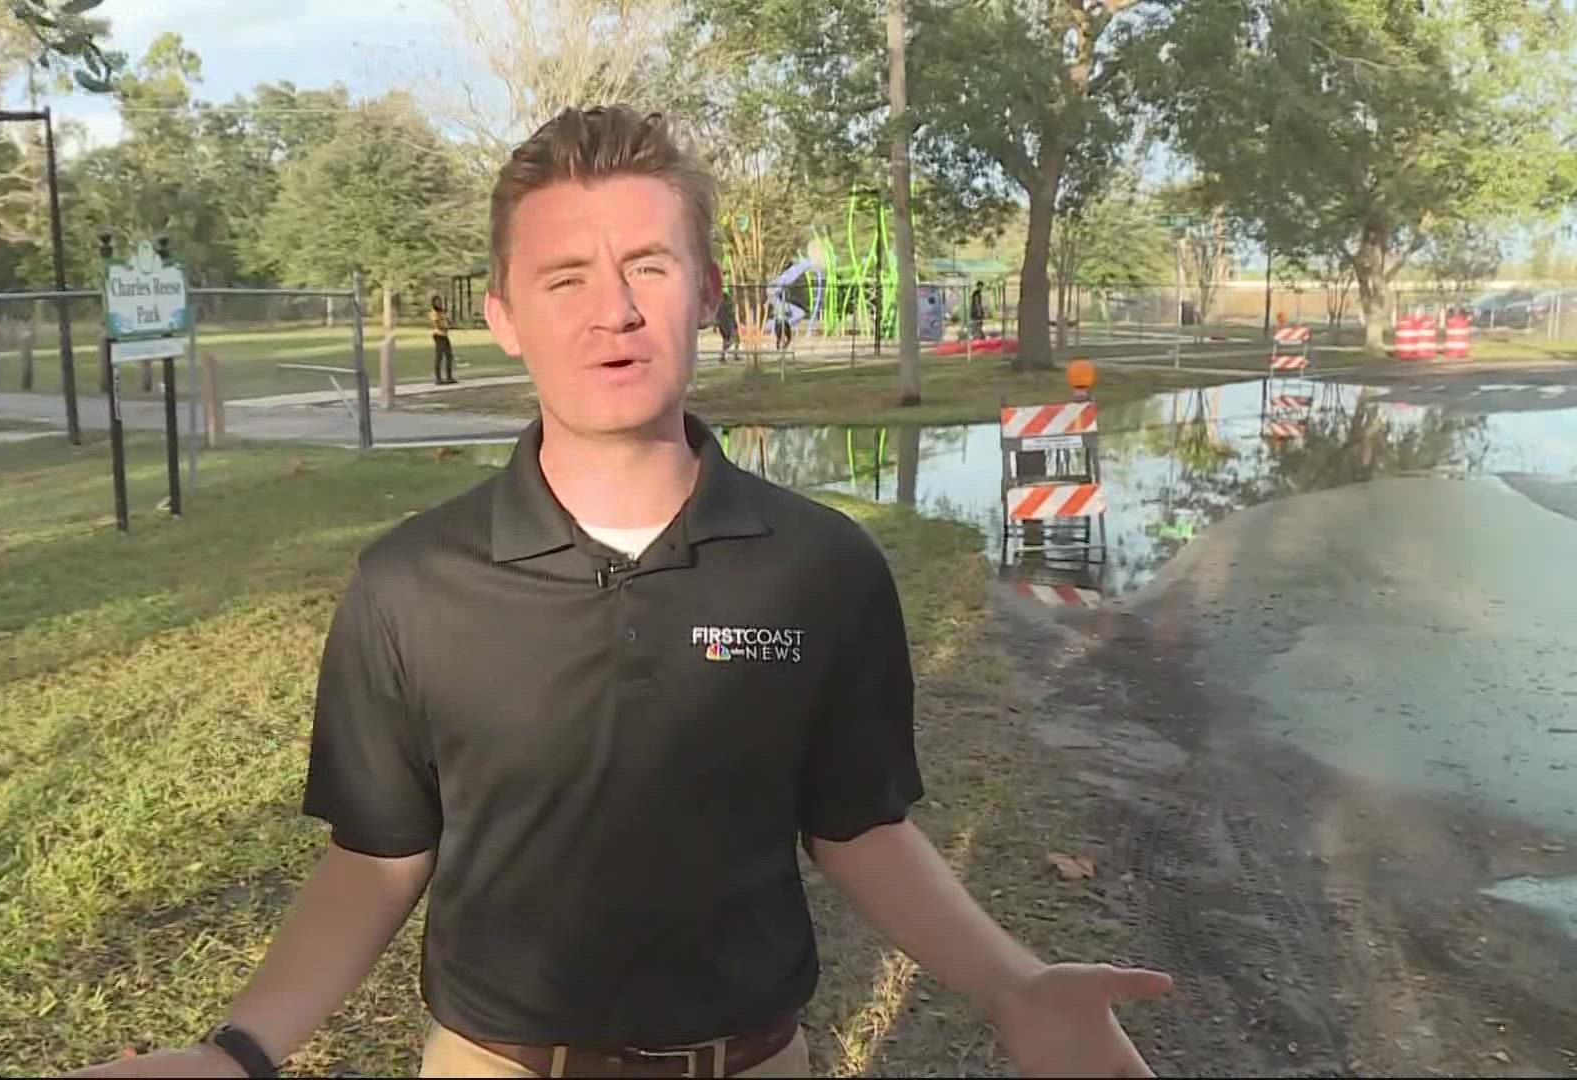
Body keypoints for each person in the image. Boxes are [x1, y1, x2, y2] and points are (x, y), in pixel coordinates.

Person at [69, 105, 1170, 1080]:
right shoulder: (407, 586)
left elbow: (859, 828)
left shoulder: (821, 569)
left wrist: (1015, 988)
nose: (615, 311)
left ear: (708, 297)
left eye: (649, 265)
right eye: (566, 278)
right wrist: (238, 1052)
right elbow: (377, 854)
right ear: (504, 316)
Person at [431, 295, 458, 385]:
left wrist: (452, 324)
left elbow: (448, 320)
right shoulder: (434, 312)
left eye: (440, 301)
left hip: (444, 335)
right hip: (438, 335)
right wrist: (448, 326)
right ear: (434, 303)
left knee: (449, 356)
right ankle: (438, 379)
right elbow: (437, 325)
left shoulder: (442, 311)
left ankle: (449, 378)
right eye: (437, 301)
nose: (439, 303)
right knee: (439, 357)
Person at [714, 286, 738, 361]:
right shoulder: (728, 303)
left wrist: (715, 325)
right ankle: (728, 353)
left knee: (726, 340)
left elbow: (716, 315)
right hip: (728, 323)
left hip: (722, 324)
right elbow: (732, 313)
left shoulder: (719, 304)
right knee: (734, 339)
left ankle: (724, 355)